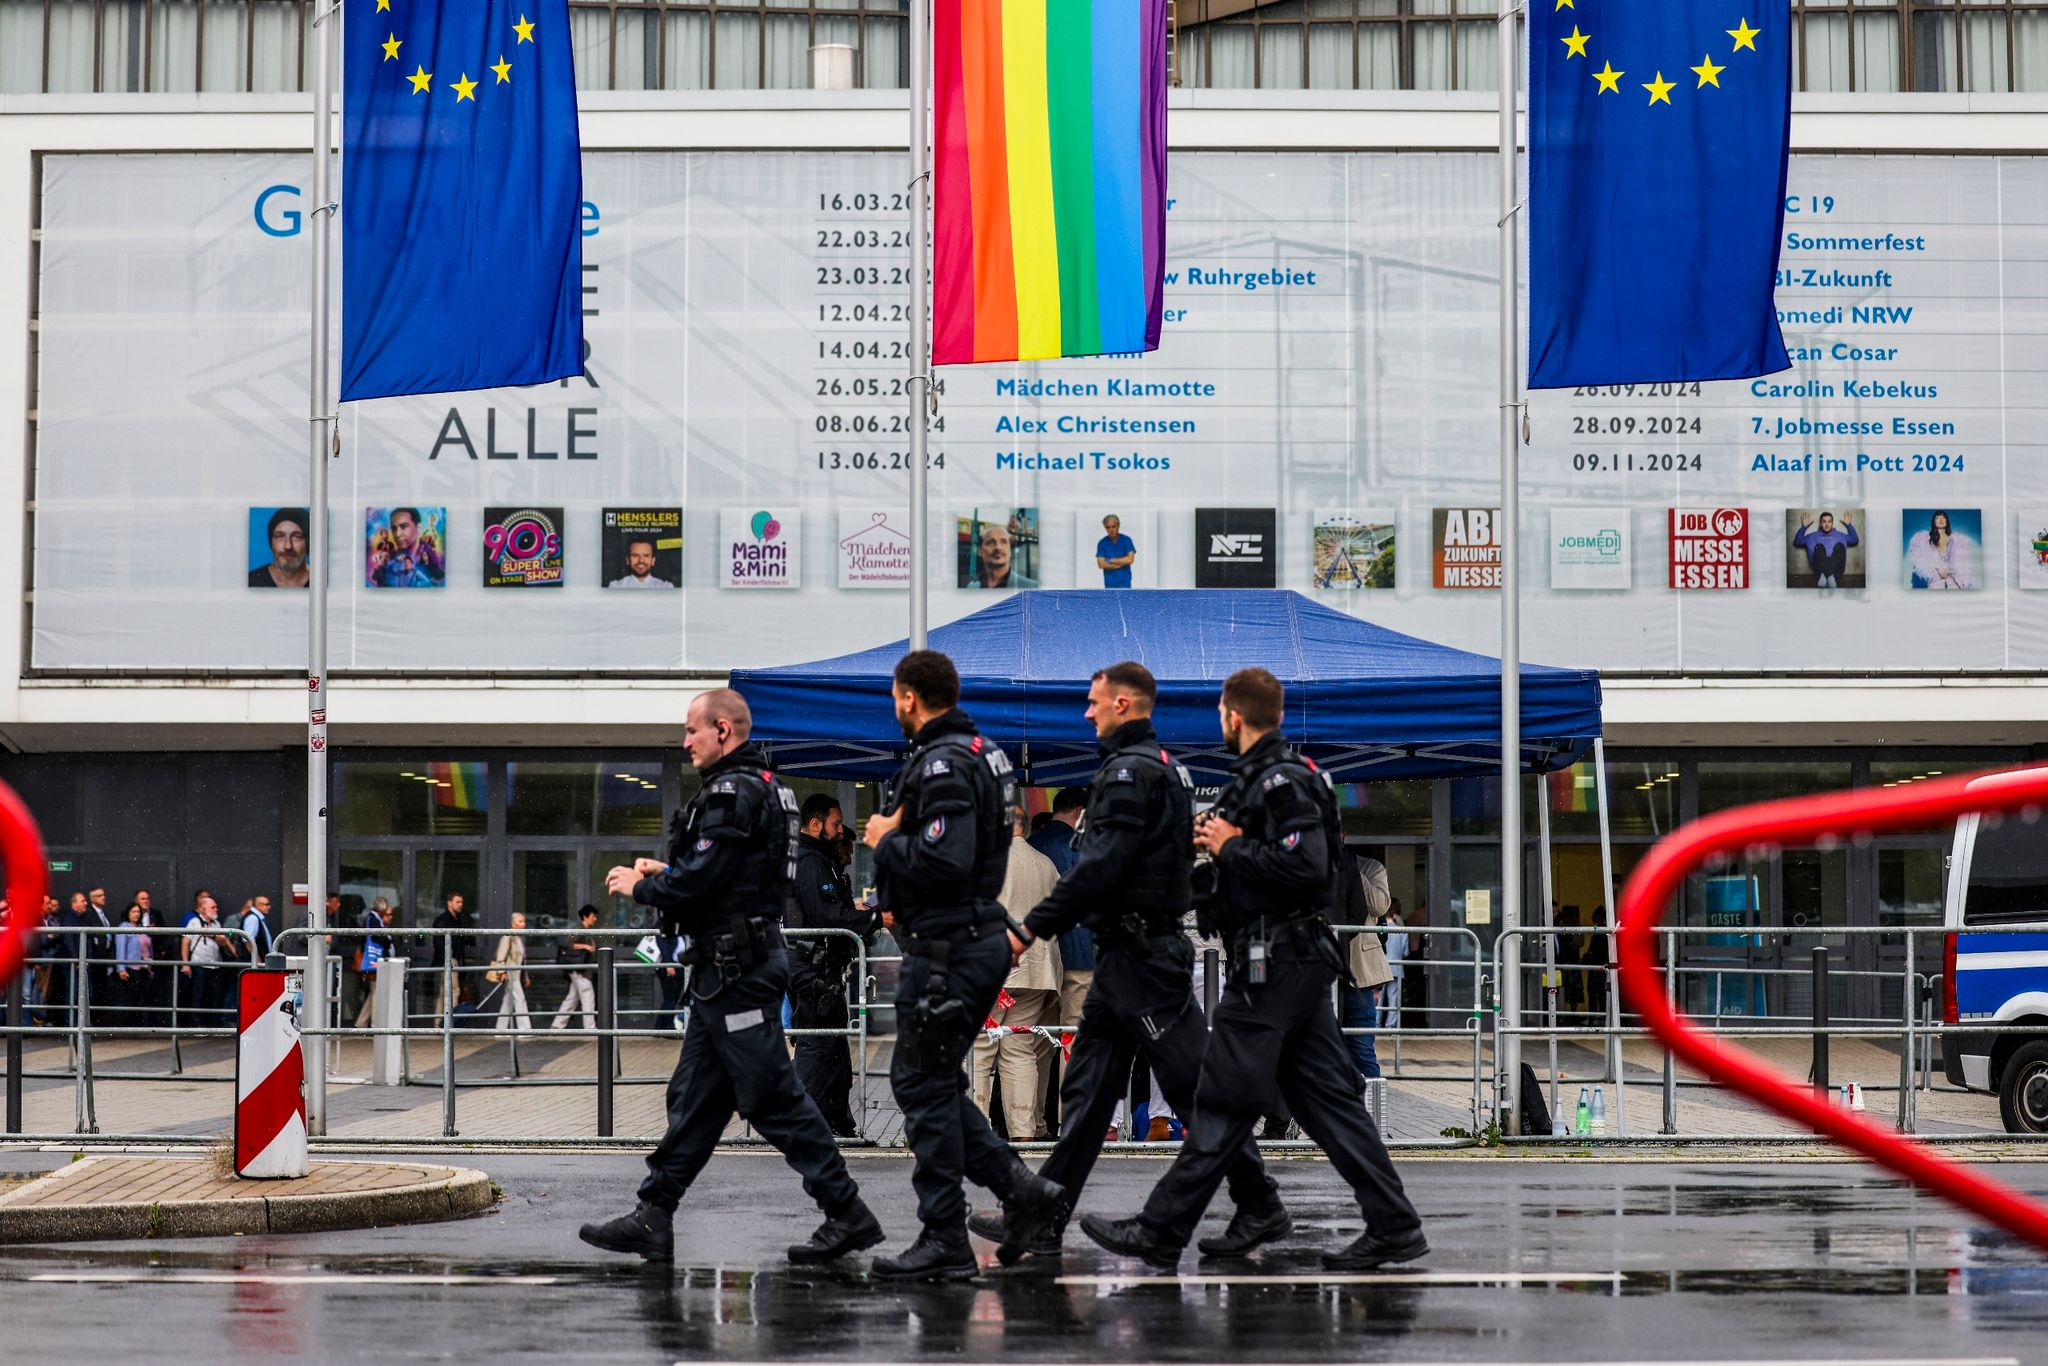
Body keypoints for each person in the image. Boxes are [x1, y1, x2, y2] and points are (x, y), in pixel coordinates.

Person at [1081, 667, 1427, 1272]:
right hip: (1286, 961)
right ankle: (1390, 1223)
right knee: (1328, 1104)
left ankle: (1164, 1229)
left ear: (1233, 717)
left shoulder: (1280, 781)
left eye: (1221, 713)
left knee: (1219, 1097)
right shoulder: (1278, 778)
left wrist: (1229, 846)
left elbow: (1306, 868)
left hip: (1274, 964)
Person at [977, 661, 1286, 1261]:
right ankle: (1044, 1213)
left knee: (1193, 1090)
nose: (1087, 712)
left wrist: (1028, 931)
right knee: (1089, 1095)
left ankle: (1259, 1202)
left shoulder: (1127, 773)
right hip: (1129, 957)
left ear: (1124, 704)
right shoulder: (1163, 769)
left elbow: (1099, 868)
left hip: (1144, 962)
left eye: (1094, 702)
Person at [579, 688, 882, 1266]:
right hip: (729, 970)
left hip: (737, 972)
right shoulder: (767, 789)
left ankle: (847, 1213)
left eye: (693, 730)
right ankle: (654, 1214)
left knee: (775, 1102)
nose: (685, 740)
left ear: (724, 729)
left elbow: (703, 885)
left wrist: (642, 885)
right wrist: (672, 869)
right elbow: (733, 876)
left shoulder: (730, 791)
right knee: (693, 1099)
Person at [862, 650, 1065, 1278]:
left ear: (907, 697)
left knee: (921, 1085)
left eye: (894, 698)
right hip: (964, 941)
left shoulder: (948, 759)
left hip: (951, 945)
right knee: (934, 1085)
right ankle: (1027, 1195)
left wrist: (884, 843)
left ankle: (947, 1234)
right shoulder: (982, 752)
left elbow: (944, 863)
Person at [970, 808, 1062, 1141]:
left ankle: (976, 1130)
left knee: (980, 1048)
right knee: (1019, 1047)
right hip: (1038, 969)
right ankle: (1024, 1132)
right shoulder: (1046, 864)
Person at [788, 792, 872, 1137]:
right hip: (810, 969)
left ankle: (837, 1123)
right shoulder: (810, 862)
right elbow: (827, 916)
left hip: (819, 967)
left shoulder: (818, 860)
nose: (841, 832)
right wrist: (875, 918)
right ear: (815, 824)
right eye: (836, 824)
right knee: (818, 1043)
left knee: (834, 1047)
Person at [1027, 786, 1092, 1129]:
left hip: (1038, 957)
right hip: (1079, 955)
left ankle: (1033, 1123)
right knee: (1072, 1040)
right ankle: (1071, 1122)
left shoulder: (1033, 844)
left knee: (1036, 1044)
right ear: (1080, 812)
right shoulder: (1080, 847)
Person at [1341, 852, 1395, 1082]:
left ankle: (1371, 1113)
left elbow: (1379, 906)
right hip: (1321, 970)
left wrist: (1351, 870)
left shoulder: (1370, 868)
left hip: (1360, 973)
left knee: (1362, 1047)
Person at [550, 906, 600, 1030]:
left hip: (581, 970)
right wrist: (586, 946)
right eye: (593, 916)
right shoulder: (580, 929)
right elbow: (568, 944)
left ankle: (557, 1025)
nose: (595, 919)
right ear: (585, 917)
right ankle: (590, 1028)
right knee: (588, 997)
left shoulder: (586, 930)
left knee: (572, 998)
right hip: (580, 970)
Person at [369, 507, 445, 588]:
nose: (397, 534)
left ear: (418, 528)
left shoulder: (430, 560)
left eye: (404, 526)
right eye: (394, 528)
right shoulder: (390, 560)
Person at [429, 892, 476, 1019]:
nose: (460, 905)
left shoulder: (457, 919)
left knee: (445, 993)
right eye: (457, 902)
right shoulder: (443, 920)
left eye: (462, 902)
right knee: (453, 991)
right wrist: (447, 959)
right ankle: (449, 1023)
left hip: (453, 959)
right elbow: (438, 941)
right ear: (449, 903)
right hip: (448, 960)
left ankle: (440, 1023)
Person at [353, 896, 396, 1028]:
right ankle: (376, 1025)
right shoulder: (373, 919)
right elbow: (378, 938)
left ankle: (360, 1023)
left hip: (375, 961)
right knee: (376, 993)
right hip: (375, 961)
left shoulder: (372, 919)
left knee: (373, 993)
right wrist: (388, 940)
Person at [1908, 509, 1977, 591]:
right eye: (1937, 518)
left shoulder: (1957, 542)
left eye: (1943, 517)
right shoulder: (1926, 541)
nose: (1941, 520)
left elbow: (1963, 565)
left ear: (1947, 521)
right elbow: (1924, 561)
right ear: (1934, 521)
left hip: (1954, 585)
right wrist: (1937, 569)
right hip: (1936, 585)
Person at [489, 912, 534, 1031]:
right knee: (519, 999)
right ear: (512, 923)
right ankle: (524, 1029)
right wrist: (502, 972)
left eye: (524, 921)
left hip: (517, 974)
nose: (523, 924)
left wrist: (526, 976)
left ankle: (500, 1029)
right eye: (520, 921)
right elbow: (501, 956)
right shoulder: (508, 936)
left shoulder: (519, 938)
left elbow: (522, 960)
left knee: (507, 1002)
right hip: (510, 974)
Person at [1793, 510, 1858, 588]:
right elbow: (1797, 541)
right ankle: (1825, 576)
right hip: (1819, 571)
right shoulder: (1812, 536)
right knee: (1819, 547)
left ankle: (1830, 576)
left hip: (1836, 571)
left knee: (1840, 546)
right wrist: (1804, 527)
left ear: (1832, 523)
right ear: (1820, 523)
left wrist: (1849, 525)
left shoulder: (1840, 535)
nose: (1827, 524)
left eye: (1829, 521)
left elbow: (1855, 539)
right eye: (1824, 521)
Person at [249, 506, 310, 588]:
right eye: (280, 536)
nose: (288, 546)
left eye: (296, 537)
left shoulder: (323, 580)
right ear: (271, 542)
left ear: (309, 542)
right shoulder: (252, 581)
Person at [967, 521, 1038, 590]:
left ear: (1010, 548)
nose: (998, 547)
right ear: (979, 551)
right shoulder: (971, 589)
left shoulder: (1033, 588)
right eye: (991, 542)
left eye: (1003, 542)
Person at [112, 902, 153, 1021]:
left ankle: (138, 1025)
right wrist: (121, 969)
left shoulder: (141, 927)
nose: (136, 914)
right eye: (133, 912)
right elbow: (120, 949)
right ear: (128, 913)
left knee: (143, 997)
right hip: (131, 968)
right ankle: (128, 1025)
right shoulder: (124, 927)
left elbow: (149, 948)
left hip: (144, 968)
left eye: (138, 912)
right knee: (131, 998)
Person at [1380, 905, 1409, 1031]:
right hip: (1397, 968)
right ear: (1394, 915)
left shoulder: (1380, 930)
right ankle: (1391, 1026)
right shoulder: (1401, 931)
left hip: (1381, 968)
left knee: (1379, 999)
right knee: (1393, 999)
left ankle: (1376, 1025)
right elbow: (1406, 952)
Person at [608, 537, 675, 589]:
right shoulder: (615, 586)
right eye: (635, 555)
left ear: (653, 561)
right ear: (628, 560)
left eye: (646, 555)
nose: (641, 561)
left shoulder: (666, 587)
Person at [1095, 514, 1137, 588]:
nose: (1111, 530)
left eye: (1113, 526)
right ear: (1105, 528)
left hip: (1125, 583)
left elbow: (1130, 560)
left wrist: (1109, 560)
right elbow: (1101, 564)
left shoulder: (1126, 540)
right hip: (1109, 584)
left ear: (1118, 525)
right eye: (1108, 527)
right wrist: (1122, 563)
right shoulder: (1102, 543)